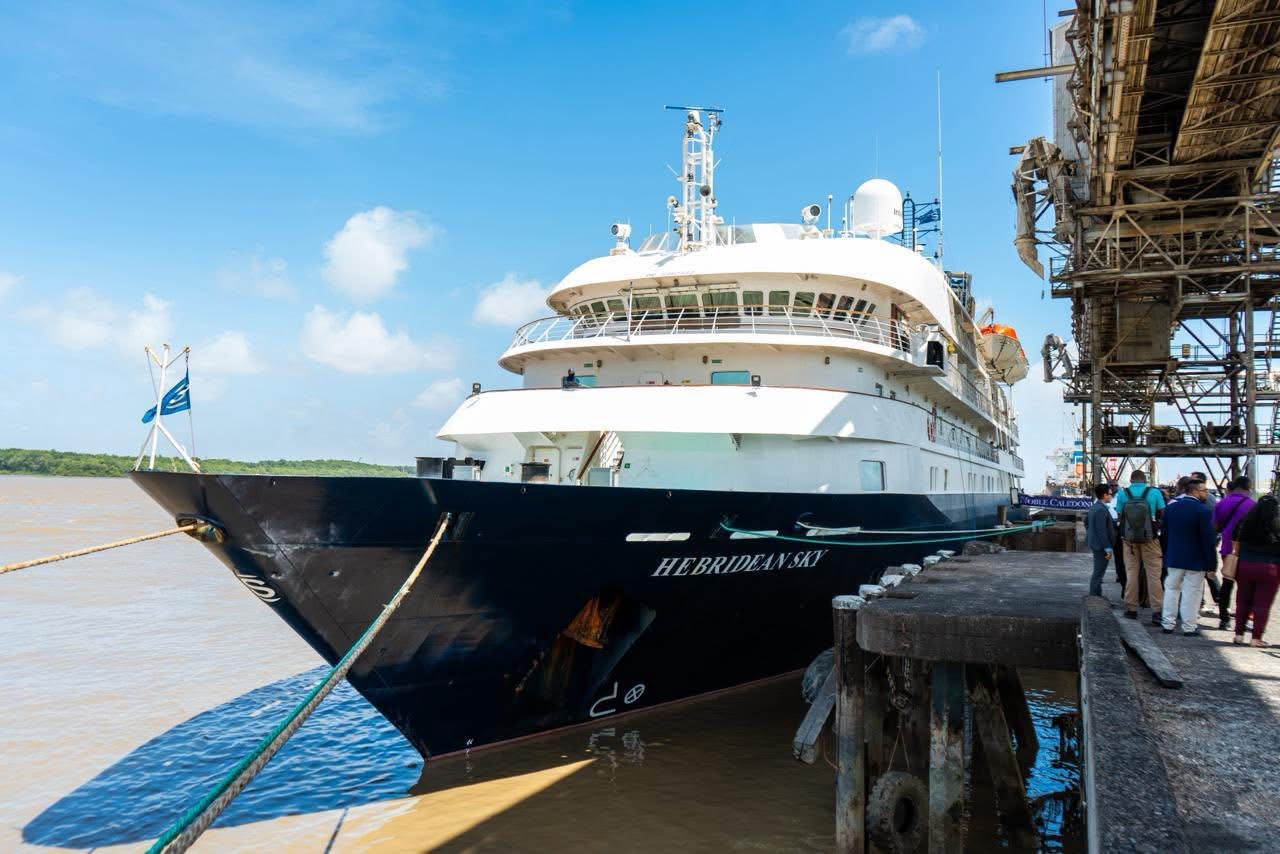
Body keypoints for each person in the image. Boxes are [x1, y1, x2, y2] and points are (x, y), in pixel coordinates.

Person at [1160, 479, 1217, 635]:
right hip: (1195, 559)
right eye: (1204, 490)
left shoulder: (1171, 509)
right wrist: (1211, 563)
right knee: (1192, 593)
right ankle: (1189, 626)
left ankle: (1168, 623)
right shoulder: (1203, 511)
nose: (1206, 493)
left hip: (1174, 556)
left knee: (1171, 590)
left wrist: (1167, 552)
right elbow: (1208, 540)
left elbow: (1164, 533)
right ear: (1195, 491)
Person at [1116, 470, 1166, 624]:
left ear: (1131, 480)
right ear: (1145, 480)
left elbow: (1119, 516)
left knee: (1131, 574)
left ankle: (1131, 609)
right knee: (1154, 575)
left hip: (1129, 541)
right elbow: (1162, 513)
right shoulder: (1155, 492)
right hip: (1150, 540)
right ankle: (1157, 611)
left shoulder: (1123, 494)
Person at [1232, 495, 1280, 648]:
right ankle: (1256, 638)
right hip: (1270, 568)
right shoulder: (1278, 525)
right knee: (1262, 604)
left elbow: (1236, 545)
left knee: (1242, 600)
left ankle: (1238, 635)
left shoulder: (1246, 522)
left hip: (1245, 565)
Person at [1212, 476, 1255, 631]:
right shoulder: (1253, 505)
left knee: (1227, 583)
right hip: (1247, 552)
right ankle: (1243, 620)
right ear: (1248, 488)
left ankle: (1224, 619)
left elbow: (1215, 527)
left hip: (1228, 550)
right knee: (1246, 586)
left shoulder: (1222, 503)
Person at [1085, 483, 1115, 596]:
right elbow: (1102, 531)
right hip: (1100, 546)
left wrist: (1091, 533)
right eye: (1110, 494)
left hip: (1095, 543)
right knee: (1098, 573)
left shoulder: (1094, 507)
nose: (1111, 496)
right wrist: (1107, 547)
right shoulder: (1101, 510)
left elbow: (1086, 522)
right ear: (1104, 495)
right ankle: (1094, 597)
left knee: (1098, 572)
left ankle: (1097, 596)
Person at [1107, 482, 1126, 589]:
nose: (1113, 487)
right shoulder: (1104, 497)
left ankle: (1120, 575)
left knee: (1120, 555)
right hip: (1107, 526)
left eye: (1115, 485)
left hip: (1119, 526)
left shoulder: (1122, 495)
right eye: (1111, 485)